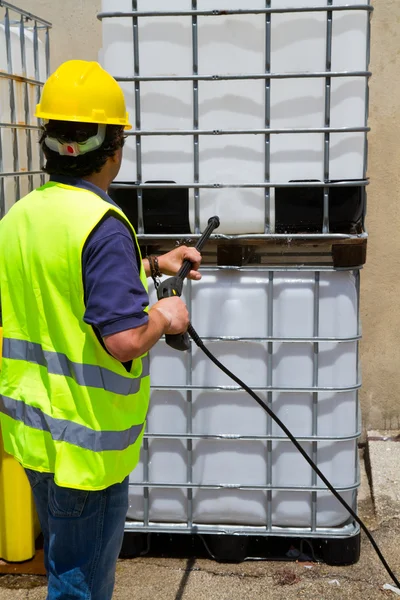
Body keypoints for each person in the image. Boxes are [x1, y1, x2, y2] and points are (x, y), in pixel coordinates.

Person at [0, 60, 201, 600]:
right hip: (87, 450)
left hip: (37, 438)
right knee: (80, 582)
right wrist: (166, 314)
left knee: (66, 563)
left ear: (49, 143)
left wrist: (154, 264)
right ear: (114, 146)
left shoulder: (20, 216)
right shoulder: (103, 226)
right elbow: (123, 339)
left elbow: (63, 285)